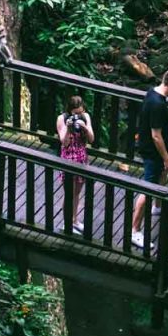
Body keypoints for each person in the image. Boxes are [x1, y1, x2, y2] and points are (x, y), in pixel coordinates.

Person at [131, 67, 168, 248]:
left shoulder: (152, 93)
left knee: (161, 175)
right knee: (148, 187)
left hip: (152, 147)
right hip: (152, 150)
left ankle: (158, 207)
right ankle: (134, 230)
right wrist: (166, 159)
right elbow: (156, 135)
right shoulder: (158, 104)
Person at [56, 95, 95, 234]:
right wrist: (68, 127)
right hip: (68, 158)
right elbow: (64, 142)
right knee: (69, 193)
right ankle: (67, 222)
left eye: (80, 112)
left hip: (81, 157)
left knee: (77, 192)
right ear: (70, 111)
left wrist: (85, 127)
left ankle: (74, 220)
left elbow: (91, 139)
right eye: (75, 113)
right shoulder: (62, 119)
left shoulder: (85, 117)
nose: (78, 116)